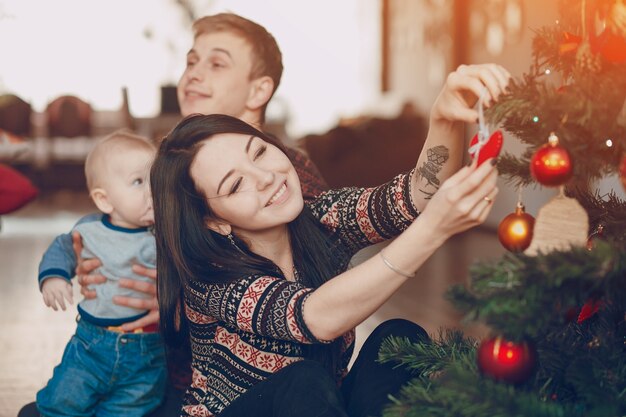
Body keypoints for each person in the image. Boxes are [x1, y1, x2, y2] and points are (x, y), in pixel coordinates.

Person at [150, 51, 509, 416]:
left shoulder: (321, 218)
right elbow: (315, 318)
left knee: (397, 338)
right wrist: (434, 229)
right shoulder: (209, 274)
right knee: (303, 378)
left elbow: (416, 195)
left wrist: (444, 116)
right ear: (214, 221)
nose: (265, 176)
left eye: (258, 152)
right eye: (236, 183)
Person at [18, 13, 329, 417]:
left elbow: (308, 294)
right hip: (166, 372)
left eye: (216, 64)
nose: (194, 75)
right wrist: (100, 255)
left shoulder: (287, 178)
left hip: (251, 387)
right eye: (191, 61)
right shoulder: (172, 168)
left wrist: (172, 301)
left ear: (259, 90)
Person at [34, 131, 167, 416]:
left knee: (130, 407)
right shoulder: (90, 231)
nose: (152, 191)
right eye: (138, 181)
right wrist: (55, 277)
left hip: (148, 350)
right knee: (61, 402)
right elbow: (62, 249)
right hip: (92, 344)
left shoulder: (164, 234)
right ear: (105, 201)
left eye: (156, 180)